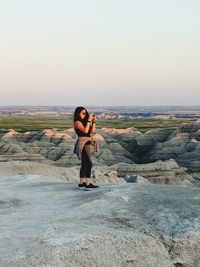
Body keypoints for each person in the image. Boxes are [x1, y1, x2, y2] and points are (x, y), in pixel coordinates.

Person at [73, 107, 99, 190]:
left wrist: (93, 122)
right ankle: (87, 183)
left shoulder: (85, 122)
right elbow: (85, 131)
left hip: (87, 143)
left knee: (85, 163)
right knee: (89, 163)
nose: (84, 115)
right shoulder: (77, 122)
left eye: (85, 113)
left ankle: (82, 182)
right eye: (82, 113)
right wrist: (89, 120)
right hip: (82, 143)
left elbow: (92, 132)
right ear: (78, 113)